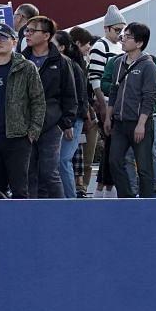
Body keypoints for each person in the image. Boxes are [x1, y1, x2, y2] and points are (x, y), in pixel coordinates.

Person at [0, 22, 47, 199]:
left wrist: (32, 131)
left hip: (18, 137)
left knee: (20, 189)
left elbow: (38, 101)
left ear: (13, 41)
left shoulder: (27, 67)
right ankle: (3, 210)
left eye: (3, 37)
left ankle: (21, 223)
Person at [21, 16, 74, 199]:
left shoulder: (60, 61)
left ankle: (61, 213)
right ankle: (31, 215)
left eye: (32, 30)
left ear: (46, 35)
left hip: (51, 123)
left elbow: (69, 94)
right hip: (25, 124)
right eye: (26, 30)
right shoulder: (21, 59)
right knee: (28, 172)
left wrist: (66, 122)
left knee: (49, 172)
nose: (27, 34)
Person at [106, 22, 156, 198]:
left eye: (128, 37)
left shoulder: (148, 65)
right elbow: (113, 91)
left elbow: (149, 97)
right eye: (123, 36)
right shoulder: (118, 63)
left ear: (139, 43)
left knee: (144, 167)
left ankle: (146, 202)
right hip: (120, 123)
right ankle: (126, 198)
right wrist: (108, 117)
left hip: (139, 122)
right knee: (114, 161)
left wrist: (142, 124)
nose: (123, 40)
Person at [60, 28, 93, 198]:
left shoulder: (72, 67)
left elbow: (78, 98)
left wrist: (70, 122)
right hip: (64, 120)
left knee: (63, 160)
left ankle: (70, 199)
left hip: (72, 120)